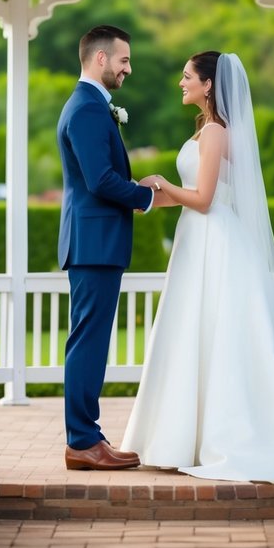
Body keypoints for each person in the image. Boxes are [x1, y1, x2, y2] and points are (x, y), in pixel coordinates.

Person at [121, 51, 274, 483]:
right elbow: (193, 193)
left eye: (187, 75)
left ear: (209, 85)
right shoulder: (207, 132)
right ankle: (181, 435)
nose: (181, 82)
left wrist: (161, 183)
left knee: (216, 330)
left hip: (214, 238)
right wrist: (150, 198)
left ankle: (213, 434)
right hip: (200, 238)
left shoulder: (214, 133)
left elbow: (204, 200)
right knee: (194, 329)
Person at [56, 25, 157, 471]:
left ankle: (88, 435)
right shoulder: (87, 110)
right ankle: (81, 440)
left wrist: (134, 190)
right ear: (100, 59)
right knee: (88, 342)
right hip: (94, 243)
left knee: (90, 340)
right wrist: (145, 195)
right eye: (124, 60)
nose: (128, 69)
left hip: (95, 241)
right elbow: (99, 180)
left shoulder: (91, 106)